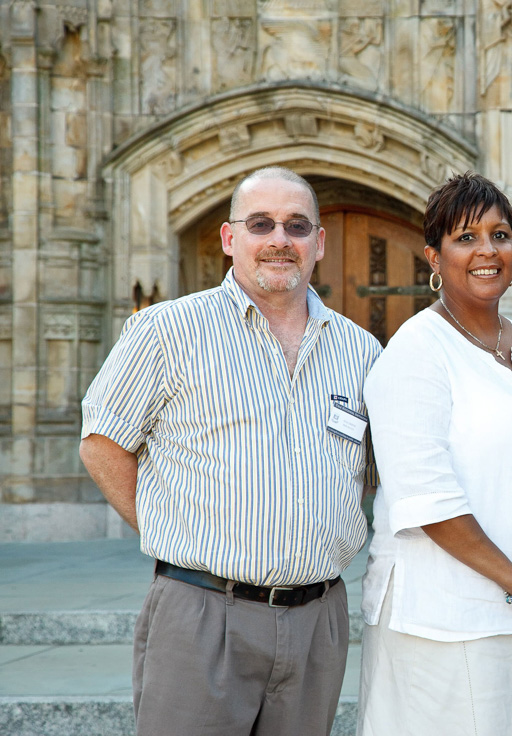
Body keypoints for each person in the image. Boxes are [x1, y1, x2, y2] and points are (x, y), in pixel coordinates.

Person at [79, 167, 381, 735]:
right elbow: (102, 443)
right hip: (201, 615)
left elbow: (369, 470)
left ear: (319, 242)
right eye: (260, 223)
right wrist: (168, 526)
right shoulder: (168, 331)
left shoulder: (360, 350)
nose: (279, 240)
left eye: (296, 226)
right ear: (228, 238)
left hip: (319, 621)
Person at [356, 172, 512, 736]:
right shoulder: (416, 351)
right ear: (433, 256)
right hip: (445, 621)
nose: (487, 250)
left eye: (501, 234)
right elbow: (427, 496)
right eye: (466, 237)